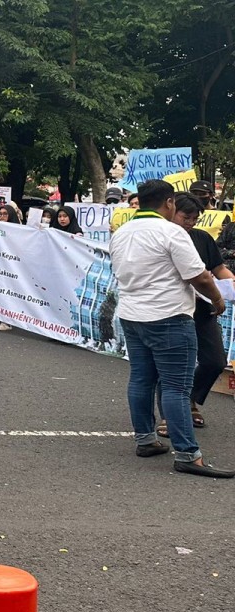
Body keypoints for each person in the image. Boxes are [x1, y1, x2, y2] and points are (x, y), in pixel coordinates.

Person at [109, 179, 232, 478]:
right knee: (177, 387)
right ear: (168, 203)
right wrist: (218, 300)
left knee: (141, 378)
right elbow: (199, 276)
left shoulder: (122, 232)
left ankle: (145, 439)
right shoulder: (171, 232)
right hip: (168, 316)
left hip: (132, 314)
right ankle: (188, 453)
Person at [162, 193, 231, 433]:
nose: (190, 222)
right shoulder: (163, 238)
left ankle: (191, 399)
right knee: (172, 364)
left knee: (215, 361)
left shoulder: (202, 238)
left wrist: (230, 283)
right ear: (171, 210)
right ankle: (167, 416)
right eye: (186, 216)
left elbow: (218, 268)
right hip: (172, 309)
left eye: (194, 218)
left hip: (204, 309)